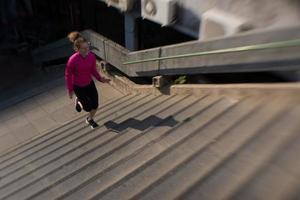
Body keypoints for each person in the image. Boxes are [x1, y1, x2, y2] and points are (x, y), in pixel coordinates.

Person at [65, 31, 110, 129]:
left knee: (95, 105)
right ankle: (79, 100)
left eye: (88, 47)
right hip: (78, 87)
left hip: (89, 84)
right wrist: (70, 90)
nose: (87, 50)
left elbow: (93, 70)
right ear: (77, 49)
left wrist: (101, 79)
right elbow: (68, 75)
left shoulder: (91, 56)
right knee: (87, 107)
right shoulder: (72, 60)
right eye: (84, 48)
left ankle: (90, 119)